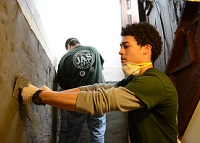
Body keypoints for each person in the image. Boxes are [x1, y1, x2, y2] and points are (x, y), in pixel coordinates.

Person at [22, 22, 178, 143]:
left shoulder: (154, 82)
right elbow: (96, 88)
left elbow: (99, 100)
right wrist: (52, 94)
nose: (120, 51)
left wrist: (39, 95)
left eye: (126, 46)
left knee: (73, 134)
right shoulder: (135, 79)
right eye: (120, 46)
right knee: (97, 134)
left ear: (146, 49)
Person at [57, 37, 106, 143]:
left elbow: (63, 84)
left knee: (73, 135)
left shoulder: (65, 57)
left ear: (68, 47)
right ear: (78, 43)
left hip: (78, 100)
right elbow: (100, 69)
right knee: (97, 133)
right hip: (99, 98)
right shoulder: (94, 50)